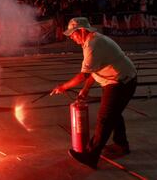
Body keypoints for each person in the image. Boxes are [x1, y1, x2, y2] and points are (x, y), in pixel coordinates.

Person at [50, 17, 137, 169]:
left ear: (82, 31)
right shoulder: (90, 42)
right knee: (114, 113)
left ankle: (91, 156)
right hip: (117, 81)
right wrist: (84, 90)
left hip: (121, 81)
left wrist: (63, 86)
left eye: (73, 34)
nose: (72, 38)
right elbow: (93, 71)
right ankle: (121, 145)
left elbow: (83, 75)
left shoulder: (93, 44)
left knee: (105, 117)